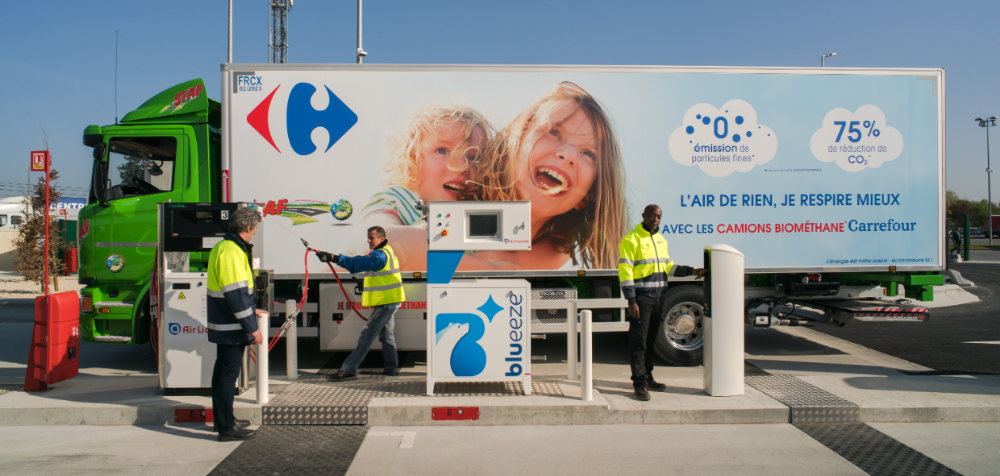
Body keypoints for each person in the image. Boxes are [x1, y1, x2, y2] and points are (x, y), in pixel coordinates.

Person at [465, 81, 629, 270]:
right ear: (515, 140)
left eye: (588, 153)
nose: (567, 155)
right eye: (553, 132)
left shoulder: (557, 250)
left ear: (586, 197)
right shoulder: (461, 201)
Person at [349, 105, 494, 271]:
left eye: (473, 157)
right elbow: (374, 240)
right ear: (412, 158)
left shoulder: (474, 223)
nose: (461, 166)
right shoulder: (398, 200)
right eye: (442, 150)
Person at [618, 204, 703, 402]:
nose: (656, 219)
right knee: (639, 342)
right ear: (643, 216)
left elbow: (669, 267)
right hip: (642, 298)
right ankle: (639, 383)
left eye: (659, 216)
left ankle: (648, 377)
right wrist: (632, 300)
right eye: (652, 215)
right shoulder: (632, 239)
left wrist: (693, 271)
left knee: (650, 340)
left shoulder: (660, 239)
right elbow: (625, 271)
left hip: (659, 297)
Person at [207, 207, 266, 442]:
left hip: (223, 322)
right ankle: (226, 428)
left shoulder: (222, 246)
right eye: (255, 230)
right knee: (228, 375)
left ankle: (223, 419)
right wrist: (252, 327)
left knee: (222, 372)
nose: (254, 234)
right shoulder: (233, 251)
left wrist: (251, 310)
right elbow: (236, 293)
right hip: (231, 325)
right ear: (248, 227)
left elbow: (234, 292)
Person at [317, 225, 406, 380]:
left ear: (381, 238)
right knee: (387, 337)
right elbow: (382, 276)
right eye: (368, 237)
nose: (368, 240)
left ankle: (349, 370)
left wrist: (333, 258)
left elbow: (358, 262)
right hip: (389, 301)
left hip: (386, 304)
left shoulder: (380, 256)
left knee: (367, 335)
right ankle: (391, 370)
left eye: (371, 237)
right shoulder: (385, 252)